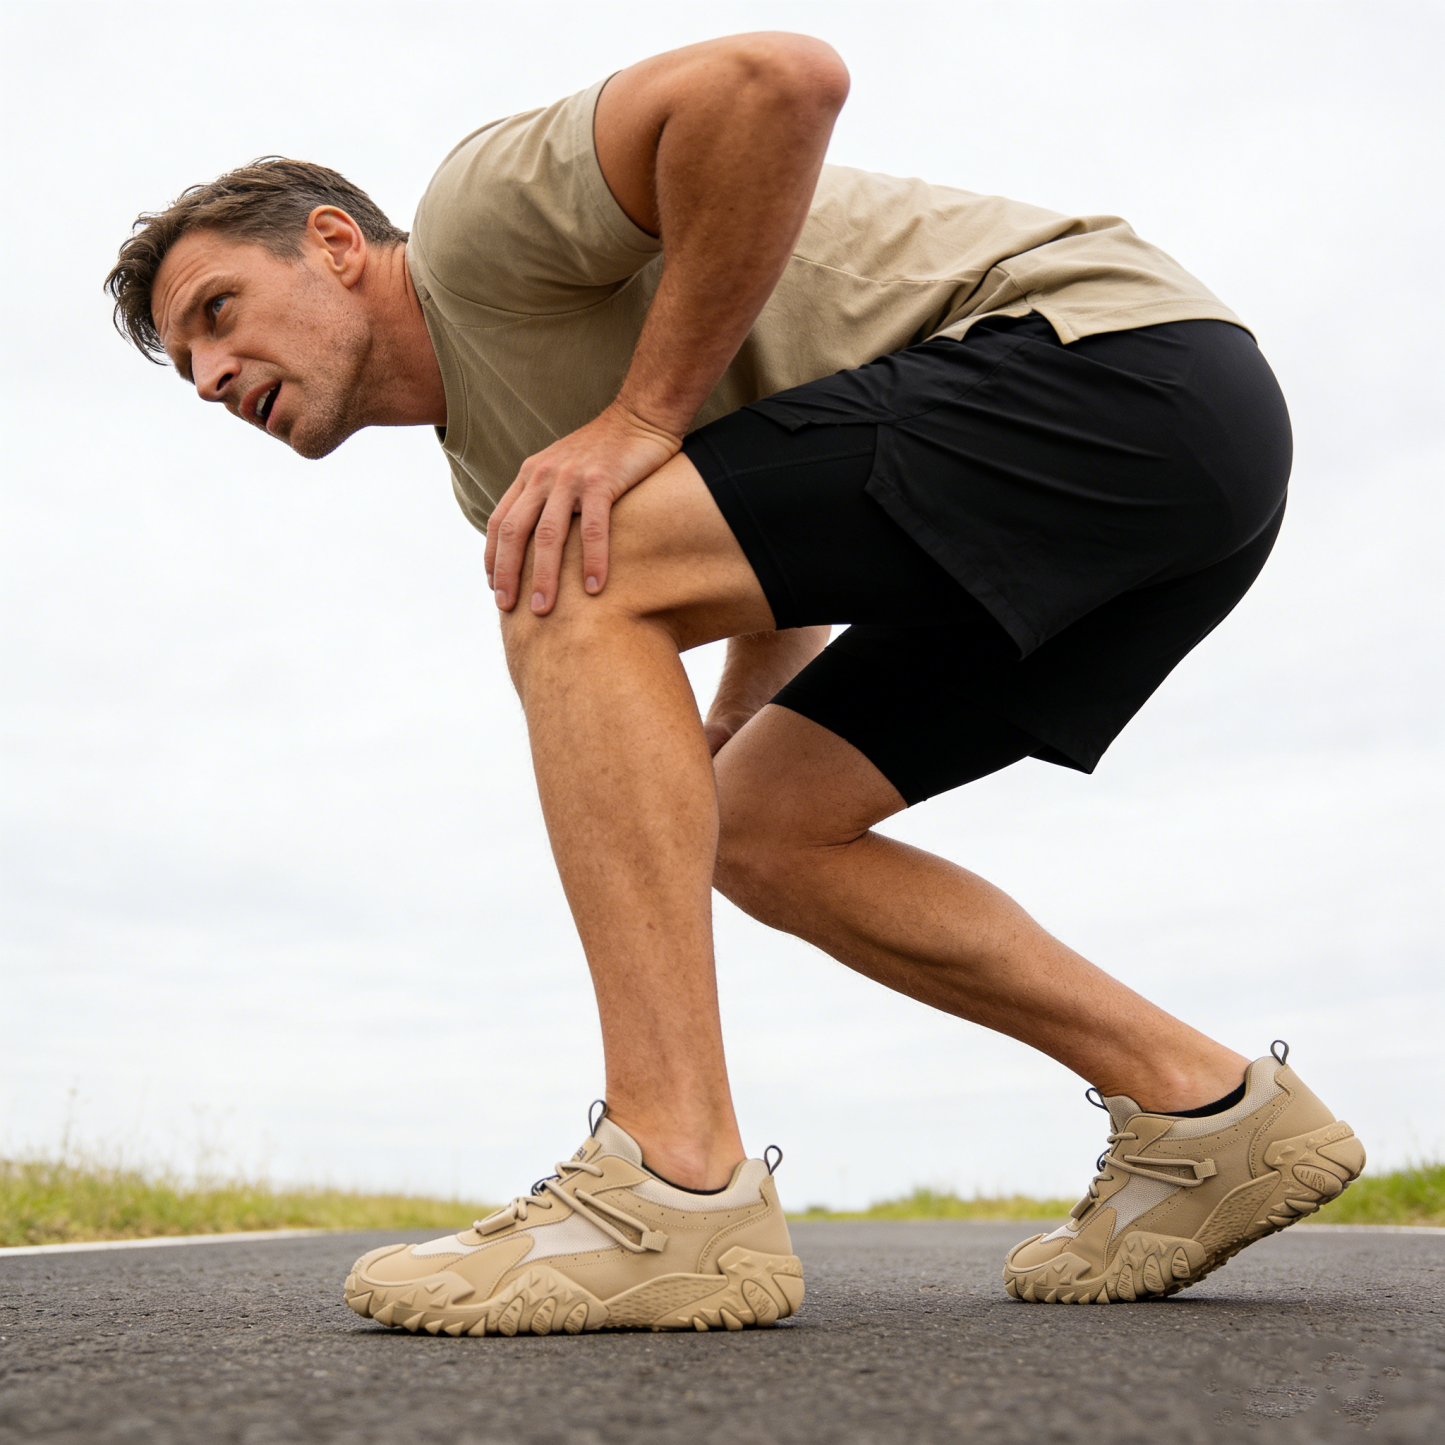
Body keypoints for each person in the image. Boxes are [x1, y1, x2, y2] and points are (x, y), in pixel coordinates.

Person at [106, 32, 1364, 1334]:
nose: (211, 376)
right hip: (1177, 493)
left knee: (569, 578)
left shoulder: (477, 224)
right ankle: (1205, 1110)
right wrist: (725, 727)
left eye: (217, 314)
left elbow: (776, 82)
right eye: (187, 371)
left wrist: (643, 417)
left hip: (1112, 367)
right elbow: (800, 517)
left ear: (333, 244)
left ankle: (669, 1184)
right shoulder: (499, 468)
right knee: (761, 826)